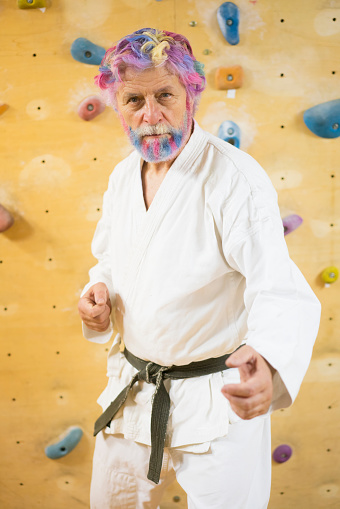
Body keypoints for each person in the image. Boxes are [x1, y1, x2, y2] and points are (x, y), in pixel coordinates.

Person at [78, 28, 321, 509]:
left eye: (164, 95)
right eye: (133, 100)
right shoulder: (124, 175)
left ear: (191, 94)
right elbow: (109, 257)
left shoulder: (234, 178)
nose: (151, 117)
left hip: (217, 397)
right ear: (117, 105)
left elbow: (277, 287)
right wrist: (98, 296)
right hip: (135, 388)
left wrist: (267, 364)